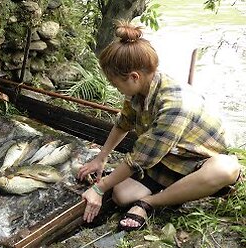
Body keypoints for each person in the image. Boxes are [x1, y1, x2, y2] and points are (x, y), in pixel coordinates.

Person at [76, 20, 242, 231]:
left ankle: (150, 203)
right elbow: (123, 122)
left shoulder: (175, 106)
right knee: (121, 195)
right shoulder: (141, 88)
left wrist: (99, 190)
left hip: (198, 162)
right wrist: (101, 158)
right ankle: (175, 192)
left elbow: (140, 158)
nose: (115, 88)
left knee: (225, 169)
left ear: (134, 77)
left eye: (115, 83)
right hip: (169, 158)